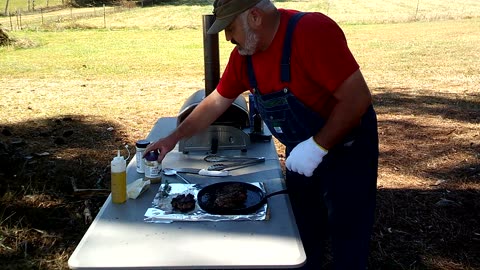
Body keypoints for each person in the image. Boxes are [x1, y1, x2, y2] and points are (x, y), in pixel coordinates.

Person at [145, 0, 379, 269]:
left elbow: (357, 100)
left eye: (231, 28)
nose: (229, 38)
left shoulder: (312, 32)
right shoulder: (245, 57)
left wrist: (317, 147)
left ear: (255, 17)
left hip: (347, 150)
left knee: (348, 232)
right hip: (301, 151)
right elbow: (216, 102)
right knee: (303, 229)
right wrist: (172, 138)